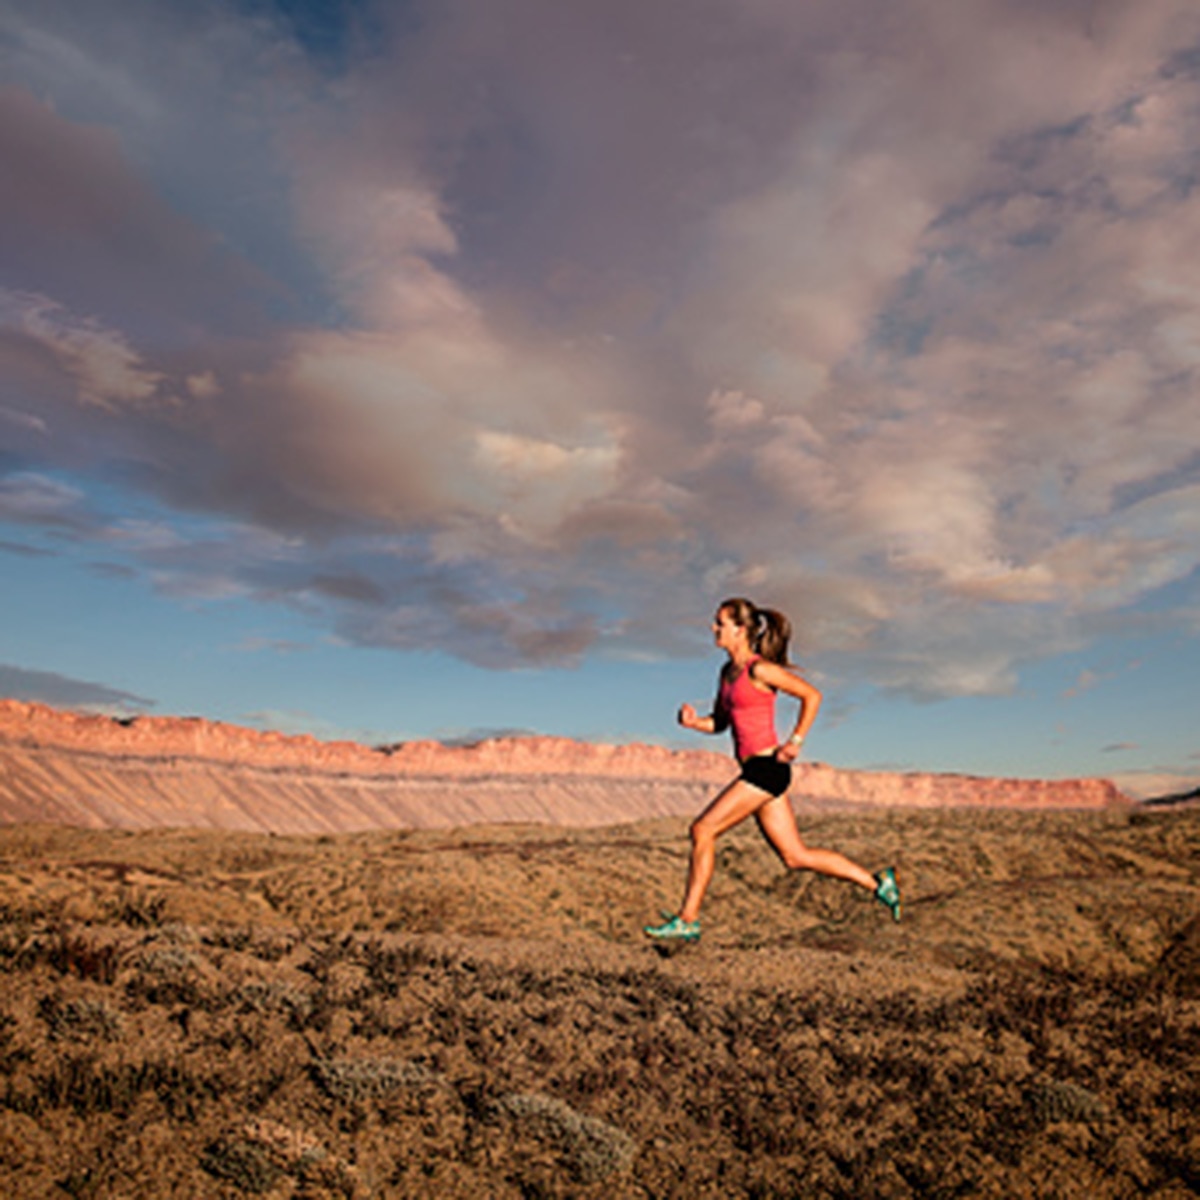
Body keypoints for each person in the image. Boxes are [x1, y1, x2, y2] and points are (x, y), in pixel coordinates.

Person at [644, 597, 901, 944]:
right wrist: (692, 723)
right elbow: (721, 723)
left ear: (742, 630)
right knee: (795, 857)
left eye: (720, 623)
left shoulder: (759, 670)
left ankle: (688, 920)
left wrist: (795, 740)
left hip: (767, 769)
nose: (714, 628)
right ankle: (877, 882)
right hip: (758, 772)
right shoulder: (727, 674)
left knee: (702, 830)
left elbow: (812, 696)